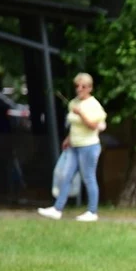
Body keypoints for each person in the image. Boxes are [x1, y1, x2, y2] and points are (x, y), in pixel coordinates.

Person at [38, 72, 107, 222]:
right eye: (77, 86)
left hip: (89, 146)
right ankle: (57, 209)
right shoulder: (73, 103)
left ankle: (92, 211)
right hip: (74, 146)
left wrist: (81, 114)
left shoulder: (93, 104)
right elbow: (74, 125)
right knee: (66, 176)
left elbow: (94, 126)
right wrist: (68, 139)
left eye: (83, 86)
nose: (79, 89)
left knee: (88, 177)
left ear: (89, 88)